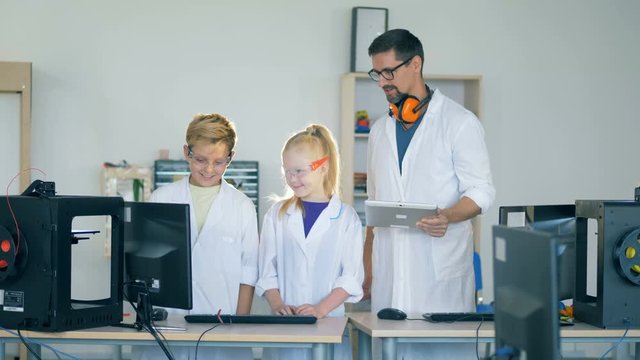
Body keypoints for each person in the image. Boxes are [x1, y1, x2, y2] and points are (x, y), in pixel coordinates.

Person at [364, 29, 495, 358]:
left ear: (416, 64)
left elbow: (481, 191)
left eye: (388, 72)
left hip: (440, 280)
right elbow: (374, 205)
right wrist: (366, 267)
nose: (382, 82)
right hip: (389, 278)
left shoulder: (459, 123)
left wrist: (447, 216)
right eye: (376, 74)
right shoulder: (380, 130)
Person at [132, 113, 258, 360]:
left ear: (231, 158)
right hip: (169, 324)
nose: (209, 169)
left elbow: (249, 271)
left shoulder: (242, 206)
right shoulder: (162, 198)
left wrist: (238, 325)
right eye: (200, 159)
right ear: (186, 152)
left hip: (223, 328)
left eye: (219, 161)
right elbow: (144, 266)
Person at [256, 124, 364, 360]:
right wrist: (277, 305)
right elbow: (266, 271)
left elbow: (351, 277)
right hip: (283, 331)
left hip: (329, 327)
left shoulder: (346, 218)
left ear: (323, 167)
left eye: (299, 171)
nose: (292, 179)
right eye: (288, 172)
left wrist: (319, 310)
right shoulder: (277, 215)